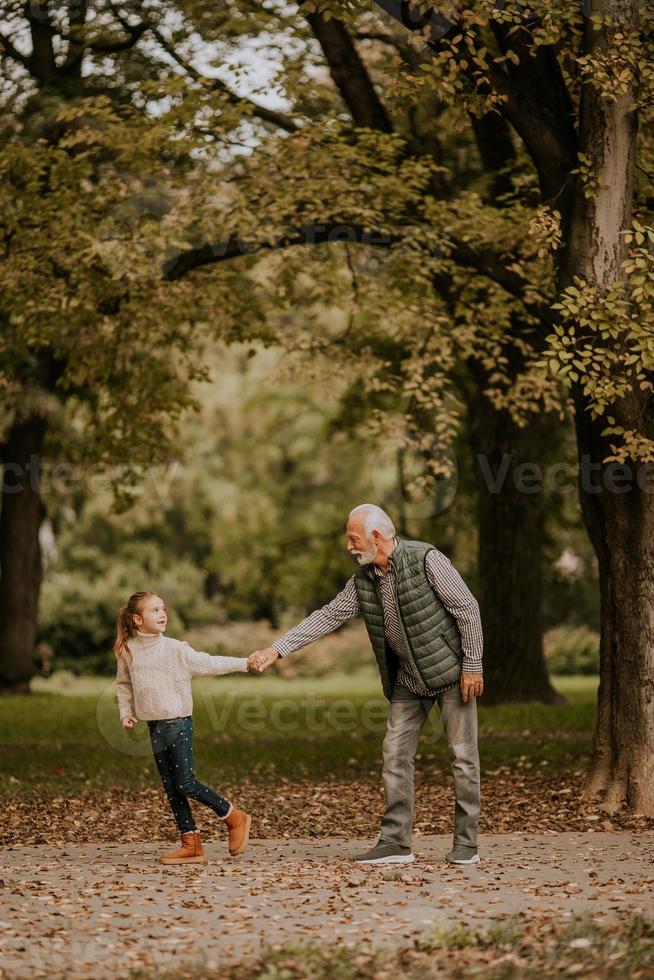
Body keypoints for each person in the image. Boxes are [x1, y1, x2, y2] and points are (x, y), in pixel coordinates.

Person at [248, 504, 483, 866]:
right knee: (394, 756)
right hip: (407, 678)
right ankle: (395, 843)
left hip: (451, 674)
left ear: (376, 537)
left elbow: (466, 608)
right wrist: (278, 648)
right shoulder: (363, 580)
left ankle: (466, 845)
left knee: (463, 759)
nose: (349, 547)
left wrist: (472, 664)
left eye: (353, 538)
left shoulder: (425, 559)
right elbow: (328, 615)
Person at [115, 591, 252, 865]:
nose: (162, 614)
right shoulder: (127, 649)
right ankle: (190, 843)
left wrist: (245, 663)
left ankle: (234, 817)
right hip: (154, 725)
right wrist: (126, 712)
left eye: (163, 609)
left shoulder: (175, 649)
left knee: (186, 782)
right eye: (154, 610)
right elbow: (124, 684)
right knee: (171, 787)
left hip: (177, 722)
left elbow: (211, 663)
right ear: (137, 618)